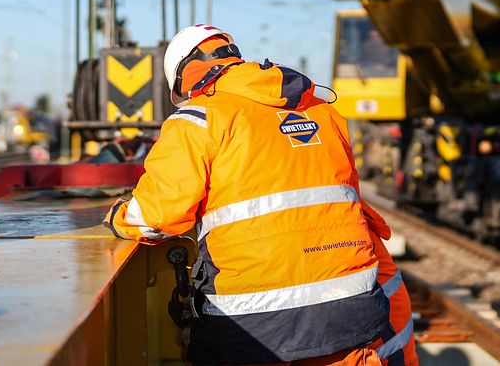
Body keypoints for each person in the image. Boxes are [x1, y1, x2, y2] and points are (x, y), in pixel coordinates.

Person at [105, 24, 418, 366]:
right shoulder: (322, 112)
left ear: (184, 78)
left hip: (251, 324)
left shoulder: (198, 120)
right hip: (349, 313)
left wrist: (117, 216)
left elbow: (157, 217)